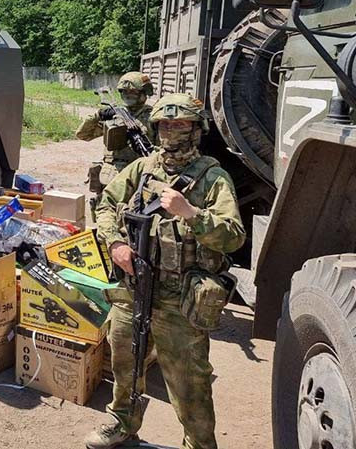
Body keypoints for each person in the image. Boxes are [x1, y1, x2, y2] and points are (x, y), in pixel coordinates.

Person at [85, 93, 245, 449]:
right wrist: (115, 243)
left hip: (180, 298)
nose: (172, 131)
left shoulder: (212, 178)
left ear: (196, 128)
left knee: (189, 382)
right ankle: (122, 421)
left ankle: (200, 442)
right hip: (135, 286)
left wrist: (191, 213)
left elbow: (234, 237)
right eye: (165, 125)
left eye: (181, 124)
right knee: (125, 361)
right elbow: (107, 203)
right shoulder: (143, 169)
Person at [76, 72, 156, 215]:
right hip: (111, 176)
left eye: (133, 91)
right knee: (105, 214)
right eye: (125, 91)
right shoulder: (115, 114)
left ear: (145, 92)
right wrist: (98, 116)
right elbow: (83, 135)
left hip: (138, 177)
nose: (128, 94)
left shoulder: (153, 117)